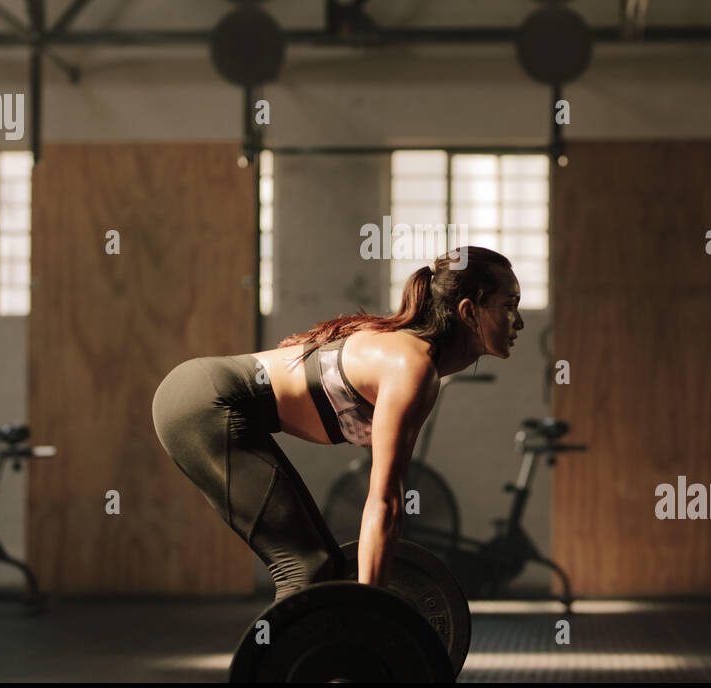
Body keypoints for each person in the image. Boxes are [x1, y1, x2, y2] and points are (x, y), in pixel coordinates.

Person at [151, 245, 523, 602]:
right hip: (203, 402)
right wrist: (371, 611)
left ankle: (320, 665)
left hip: (203, 395)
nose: (518, 321)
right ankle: (280, 668)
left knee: (325, 570)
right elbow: (386, 503)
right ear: (469, 312)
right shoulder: (412, 367)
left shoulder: (411, 361)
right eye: (509, 306)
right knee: (305, 569)